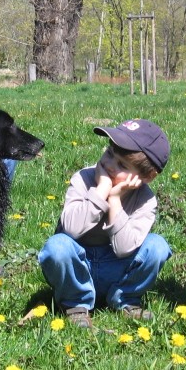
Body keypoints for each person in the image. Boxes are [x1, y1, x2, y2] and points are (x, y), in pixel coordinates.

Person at [38, 119, 172, 328]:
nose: (109, 164)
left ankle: (125, 299)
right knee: (57, 246)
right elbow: (71, 229)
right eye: (109, 153)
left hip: (117, 269)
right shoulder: (84, 178)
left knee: (157, 246)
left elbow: (124, 249)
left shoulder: (146, 200)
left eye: (122, 165)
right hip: (79, 267)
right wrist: (101, 191)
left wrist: (115, 200)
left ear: (147, 176)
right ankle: (75, 303)